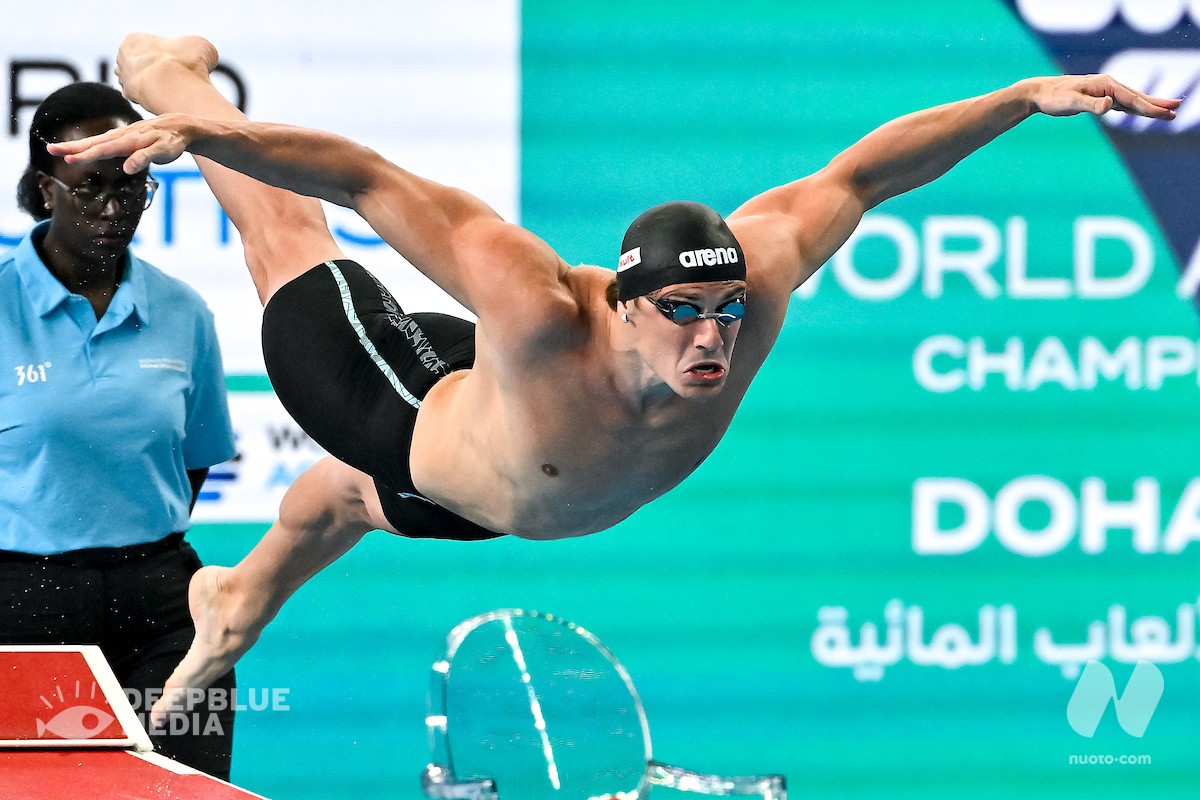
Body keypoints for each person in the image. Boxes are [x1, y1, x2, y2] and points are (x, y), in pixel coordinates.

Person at [52, 34, 1178, 724]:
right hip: (395, 406)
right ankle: (164, 72)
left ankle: (237, 595)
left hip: (496, 487)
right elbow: (360, 173)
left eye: (725, 309)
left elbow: (865, 175)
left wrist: (1020, 100)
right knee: (292, 246)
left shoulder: (759, 280)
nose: (712, 337)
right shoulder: (533, 297)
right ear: (620, 303)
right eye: (682, 312)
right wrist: (197, 127)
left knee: (359, 500)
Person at [0, 81, 238, 779]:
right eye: (91, 187)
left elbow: (192, 465)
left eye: (133, 187)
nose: (114, 208)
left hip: (160, 604)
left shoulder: (183, 312)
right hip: (22, 609)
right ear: (47, 190)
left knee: (185, 789)